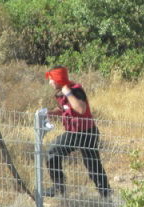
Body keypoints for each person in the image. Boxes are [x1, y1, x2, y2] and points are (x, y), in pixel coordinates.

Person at [44, 66, 111, 198]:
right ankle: (106, 193)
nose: (50, 83)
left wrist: (67, 92)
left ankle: (59, 189)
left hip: (84, 133)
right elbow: (65, 108)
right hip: (78, 132)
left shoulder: (75, 90)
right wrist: (50, 113)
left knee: (53, 152)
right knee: (92, 164)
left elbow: (80, 109)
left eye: (51, 79)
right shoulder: (62, 93)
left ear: (58, 78)